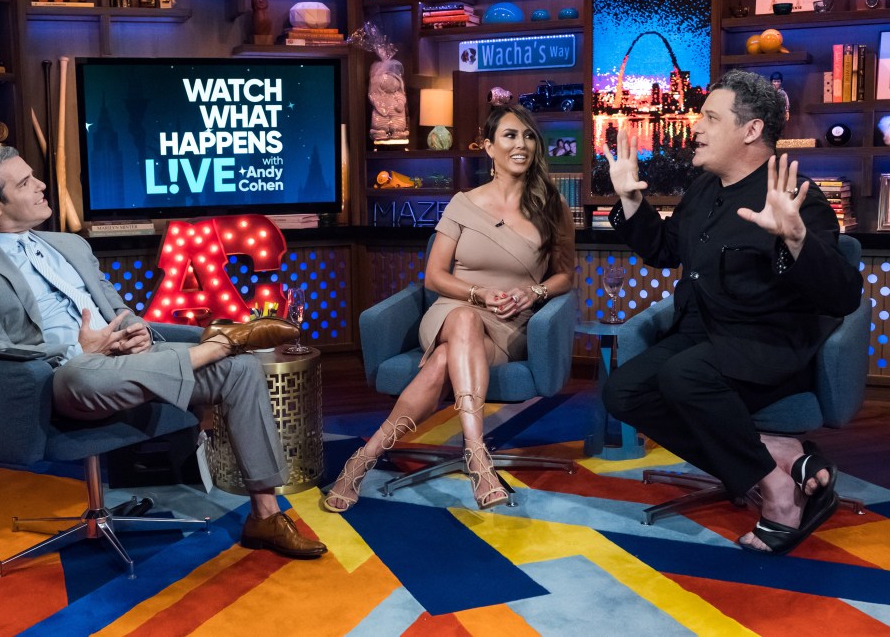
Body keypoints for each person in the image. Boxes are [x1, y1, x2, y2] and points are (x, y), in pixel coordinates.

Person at [0, 147, 326, 560]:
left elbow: (116, 307)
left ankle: (265, 515)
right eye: (26, 182)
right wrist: (77, 349)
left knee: (242, 368)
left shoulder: (69, 244)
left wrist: (136, 330)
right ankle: (224, 340)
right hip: (62, 379)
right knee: (83, 374)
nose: (41, 185)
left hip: (129, 360)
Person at [600, 69, 862, 555]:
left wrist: (797, 239)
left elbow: (843, 296)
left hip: (765, 340)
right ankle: (780, 459)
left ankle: (780, 495)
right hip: (702, 332)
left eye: (710, 117)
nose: (695, 126)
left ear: (751, 130)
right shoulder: (703, 188)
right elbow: (664, 251)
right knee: (621, 392)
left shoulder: (793, 194)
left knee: (683, 375)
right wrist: (631, 199)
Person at [323, 105, 575, 512]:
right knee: (462, 319)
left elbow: (565, 275)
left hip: (510, 324)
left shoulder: (552, 205)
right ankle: (477, 455)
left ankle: (362, 460)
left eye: (529, 136)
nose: (522, 144)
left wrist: (535, 293)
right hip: (453, 309)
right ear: (489, 147)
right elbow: (434, 276)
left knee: (443, 361)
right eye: (510, 136)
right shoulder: (463, 203)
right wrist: (477, 295)